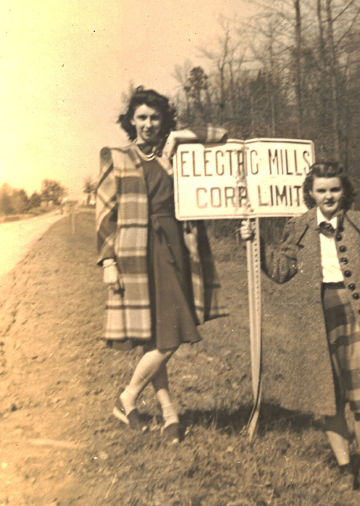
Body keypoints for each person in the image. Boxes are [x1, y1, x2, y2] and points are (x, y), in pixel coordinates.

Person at [240, 162, 360, 493]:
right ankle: (345, 466)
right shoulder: (299, 227)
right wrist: (255, 242)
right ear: (310, 193)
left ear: (343, 191)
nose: (328, 196)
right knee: (326, 397)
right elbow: (282, 269)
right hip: (316, 320)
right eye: (321, 190)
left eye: (334, 189)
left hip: (358, 314)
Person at [96, 86, 227, 442]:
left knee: (164, 333)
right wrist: (108, 260)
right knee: (165, 336)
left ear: (163, 120)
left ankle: (153, 407)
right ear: (131, 121)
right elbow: (105, 214)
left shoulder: (177, 153)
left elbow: (221, 136)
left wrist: (180, 136)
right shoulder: (117, 157)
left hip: (178, 247)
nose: (149, 124)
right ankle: (137, 401)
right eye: (142, 117)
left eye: (155, 117)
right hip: (139, 252)